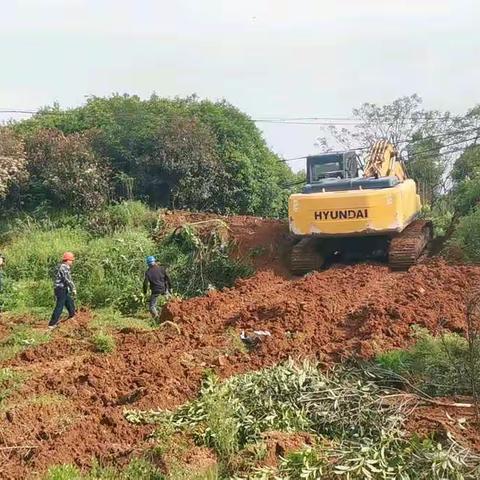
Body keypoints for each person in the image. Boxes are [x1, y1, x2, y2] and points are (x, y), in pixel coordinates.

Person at [48, 251, 77, 330]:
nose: (72, 262)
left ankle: (72, 315)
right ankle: (52, 323)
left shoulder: (60, 266)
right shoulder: (64, 268)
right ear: (67, 260)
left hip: (61, 288)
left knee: (69, 302)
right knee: (59, 305)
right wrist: (73, 288)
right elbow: (67, 280)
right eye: (71, 260)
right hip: (61, 289)